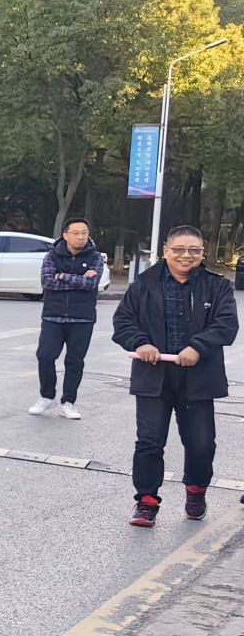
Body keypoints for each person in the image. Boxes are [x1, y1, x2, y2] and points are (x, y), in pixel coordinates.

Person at [112, 224, 238, 527]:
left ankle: (196, 490)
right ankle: (146, 501)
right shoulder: (144, 284)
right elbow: (123, 322)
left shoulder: (217, 286)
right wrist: (140, 343)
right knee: (149, 442)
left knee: (201, 444)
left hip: (199, 378)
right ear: (166, 251)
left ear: (203, 252)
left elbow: (226, 324)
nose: (186, 255)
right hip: (154, 376)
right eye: (179, 249)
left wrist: (198, 347)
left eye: (194, 250)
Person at [31, 219, 107, 420]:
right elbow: (48, 282)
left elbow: (91, 284)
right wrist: (79, 278)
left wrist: (62, 276)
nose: (81, 237)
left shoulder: (95, 257)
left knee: (74, 361)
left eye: (84, 232)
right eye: (76, 233)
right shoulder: (52, 255)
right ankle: (47, 396)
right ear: (65, 235)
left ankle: (68, 402)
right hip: (53, 316)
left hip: (82, 317)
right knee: (45, 356)